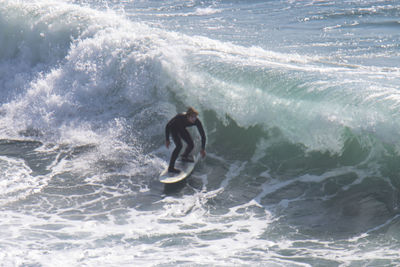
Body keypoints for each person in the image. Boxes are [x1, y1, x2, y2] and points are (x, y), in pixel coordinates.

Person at [165, 107, 206, 173]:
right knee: (179, 146)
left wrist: (203, 149)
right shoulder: (180, 117)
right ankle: (171, 168)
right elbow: (168, 126)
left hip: (182, 129)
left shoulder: (197, 121)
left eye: (195, 117)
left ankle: (184, 156)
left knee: (191, 144)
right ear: (188, 116)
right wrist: (167, 139)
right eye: (192, 117)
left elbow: (203, 135)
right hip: (173, 128)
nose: (194, 119)